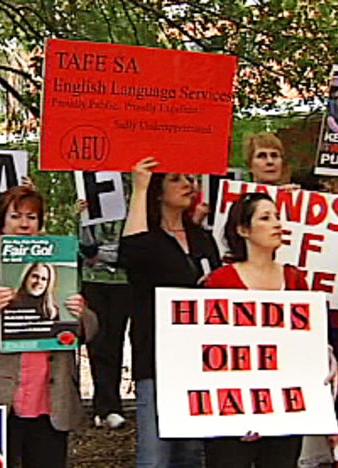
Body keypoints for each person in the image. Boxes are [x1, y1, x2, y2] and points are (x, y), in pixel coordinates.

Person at [0, 185, 97, 467]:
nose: (24, 224)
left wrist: (81, 312)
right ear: (2, 221)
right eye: (16, 216)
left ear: (41, 224)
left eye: (32, 217)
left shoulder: (59, 265)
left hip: (50, 396)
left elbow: (90, 329)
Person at [203, 192, 338, 467]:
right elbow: (207, 351)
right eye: (266, 218)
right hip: (231, 413)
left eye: (277, 216)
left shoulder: (295, 279)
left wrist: (325, 353)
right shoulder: (221, 281)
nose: (277, 223)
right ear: (243, 230)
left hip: (283, 412)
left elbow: (308, 338)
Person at [119, 157, 221, 467]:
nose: (189, 184)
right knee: (155, 455)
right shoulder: (148, 237)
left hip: (199, 358)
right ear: (159, 191)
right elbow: (130, 253)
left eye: (191, 178)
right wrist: (139, 188)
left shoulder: (202, 238)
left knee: (190, 454)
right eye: (177, 179)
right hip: (157, 358)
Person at [77, 198, 132, 430]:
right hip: (93, 282)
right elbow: (86, 249)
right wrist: (82, 218)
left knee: (115, 340)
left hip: (122, 284)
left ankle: (112, 405)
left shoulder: (129, 207)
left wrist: (103, 256)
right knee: (97, 341)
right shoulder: (88, 206)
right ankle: (103, 405)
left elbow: (128, 252)